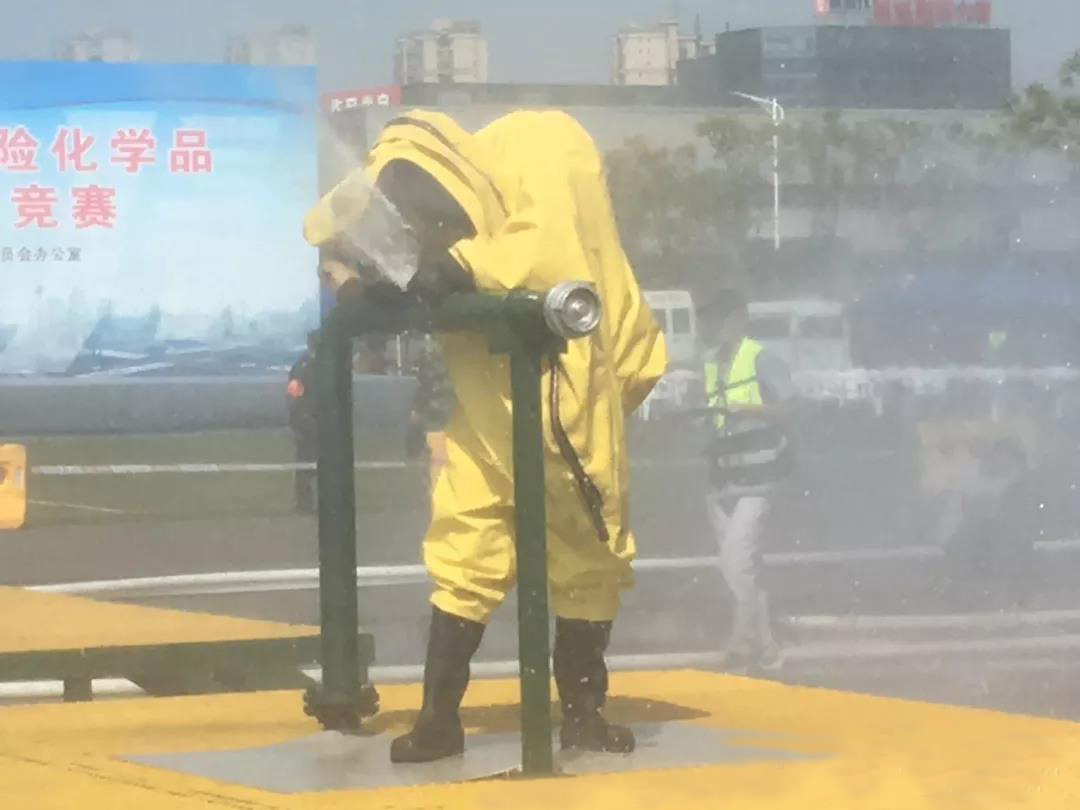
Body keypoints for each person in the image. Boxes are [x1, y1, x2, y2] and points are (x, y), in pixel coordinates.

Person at [304, 110, 668, 763]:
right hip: (486, 400)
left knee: (587, 540)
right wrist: (357, 279)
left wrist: (451, 266)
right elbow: (412, 284)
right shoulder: (454, 210)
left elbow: (542, 250)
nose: (427, 240)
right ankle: (439, 720)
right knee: (465, 545)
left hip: (562, 385)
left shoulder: (543, 145)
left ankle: (583, 714)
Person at [698, 291, 794, 673]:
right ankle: (767, 648)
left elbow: (791, 407)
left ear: (738, 319)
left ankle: (739, 645)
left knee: (735, 563)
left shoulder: (762, 358)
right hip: (723, 481)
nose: (707, 327)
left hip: (758, 477)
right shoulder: (710, 364)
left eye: (716, 319)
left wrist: (746, 409)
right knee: (745, 566)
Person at [287, 331, 319, 514]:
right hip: (309, 420)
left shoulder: (302, 364)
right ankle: (305, 504)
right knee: (306, 463)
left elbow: (293, 394)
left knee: (307, 463)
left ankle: (306, 503)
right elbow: (295, 394)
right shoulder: (305, 365)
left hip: (310, 419)